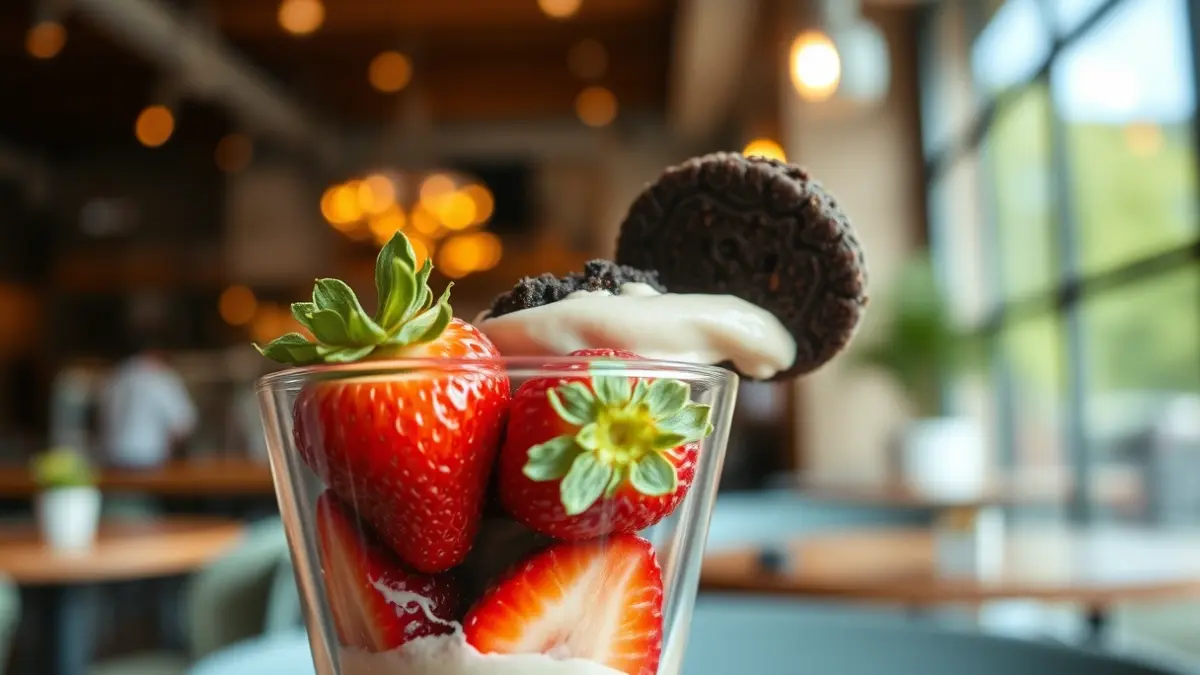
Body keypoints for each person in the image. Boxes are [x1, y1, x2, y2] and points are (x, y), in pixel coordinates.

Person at [98, 331, 197, 470]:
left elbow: (101, 419)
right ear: (158, 352)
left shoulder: (115, 375)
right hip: (149, 460)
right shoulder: (161, 376)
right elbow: (183, 423)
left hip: (112, 459)